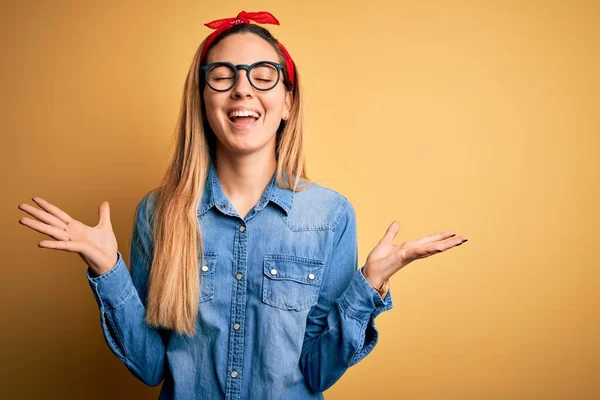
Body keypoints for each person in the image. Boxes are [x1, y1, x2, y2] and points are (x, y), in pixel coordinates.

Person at [17, 10, 468, 400]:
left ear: (288, 101)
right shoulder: (158, 213)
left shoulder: (330, 215)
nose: (242, 89)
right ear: (203, 99)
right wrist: (107, 270)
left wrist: (370, 284)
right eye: (223, 75)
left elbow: (318, 371)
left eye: (263, 74)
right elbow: (151, 366)